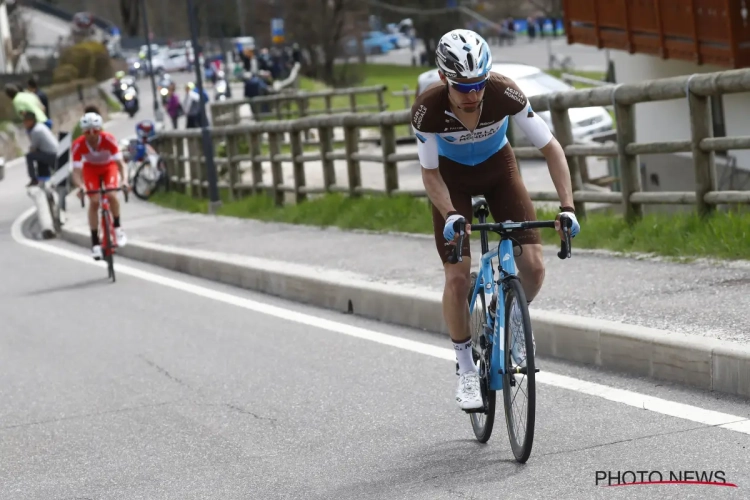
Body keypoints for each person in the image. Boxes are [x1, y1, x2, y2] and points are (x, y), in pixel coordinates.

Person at [411, 29, 580, 411]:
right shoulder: (428, 110)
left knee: (534, 268)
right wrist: (451, 214)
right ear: (443, 79)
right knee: (456, 276)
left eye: (478, 84)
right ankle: (467, 368)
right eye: (463, 86)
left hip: (498, 171)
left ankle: (511, 318)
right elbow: (430, 174)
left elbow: (551, 149)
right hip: (451, 179)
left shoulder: (505, 93)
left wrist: (567, 205)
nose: (472, 95)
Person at [70, 112, 129, 260]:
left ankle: (117, 228)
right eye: (87, 132)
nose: (91, 135)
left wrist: (125, 180)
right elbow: (76, 172)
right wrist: (80, 186)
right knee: (94, 201)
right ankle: (95, 243)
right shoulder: (78, 145)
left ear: (100, 130)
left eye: (95, 131)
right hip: (90, 169)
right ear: (83, 132)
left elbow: (120, 164)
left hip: (109, 167)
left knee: (111, 194)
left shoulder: (109, 139)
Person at [22, 111, 59, 187]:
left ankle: (34, 179)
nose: (25, 124)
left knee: (29, 156)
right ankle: (44, 175)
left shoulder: (35, 131)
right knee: (38, 154)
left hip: (51, 155)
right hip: (55, 152)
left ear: (31, 121)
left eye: (26, 122)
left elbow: (33, 148)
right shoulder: (40, 126)